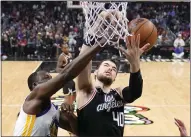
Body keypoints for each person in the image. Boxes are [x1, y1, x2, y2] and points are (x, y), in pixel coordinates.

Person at [13, 35, 110, 136]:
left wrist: (69, 115)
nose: (51, 79)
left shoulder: (54, 111)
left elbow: (80, 131)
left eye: (50, 77)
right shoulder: (33, 98)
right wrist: (100, 43)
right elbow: (65, 74)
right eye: (46, 77)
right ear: (35, 85)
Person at [76, 33, 150, 136]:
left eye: (114, 69)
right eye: (106, 65)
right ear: (96, 72)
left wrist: (135, 64)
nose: (110, 68)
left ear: (115, 78)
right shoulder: (86, 92)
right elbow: (83, 61)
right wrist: (93, 33)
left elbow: (135, 92)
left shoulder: (118, 94)